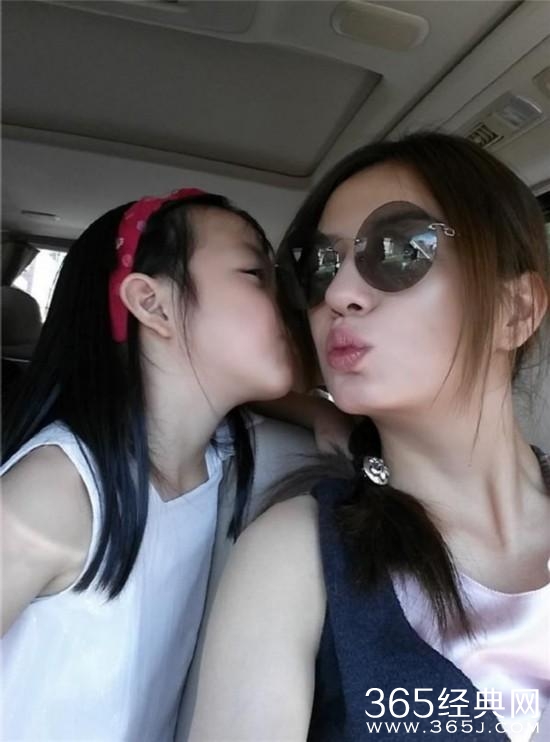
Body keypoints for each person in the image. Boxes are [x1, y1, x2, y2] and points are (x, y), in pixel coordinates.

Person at [187, 133, 550, 742]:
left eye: (401, 251)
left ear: (514, 311)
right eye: (320, 266)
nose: (338, 294)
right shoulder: (294, 555)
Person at [0, 187, 347, 741]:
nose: (290, 300)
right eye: (255, 275)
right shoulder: (56, 492)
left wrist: (319, 412)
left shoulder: (220, 453)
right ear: (154, 305)